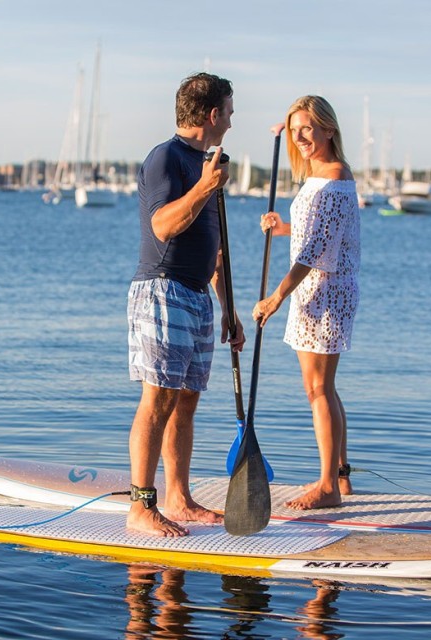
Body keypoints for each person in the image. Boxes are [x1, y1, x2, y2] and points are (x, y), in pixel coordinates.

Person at [127, 72, 245, 537]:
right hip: (162, 288)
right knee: (157, 398)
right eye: (230, 113)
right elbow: (162, 225)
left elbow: (213, 252)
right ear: (213, 114)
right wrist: (204, 187)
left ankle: (178, 497)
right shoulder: (167, 158)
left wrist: (229, 308)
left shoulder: (207, 164)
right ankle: (141, 505)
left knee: (186, 402)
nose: (232, 124)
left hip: (197, 294)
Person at [251, 95, 360, 510]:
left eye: (307, 129)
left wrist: (276, 296)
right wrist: (283, 227)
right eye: (294, 131)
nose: (299, 138)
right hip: (318, 288)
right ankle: (341, 476)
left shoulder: (332, 178)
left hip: (323, 292)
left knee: (318, 389)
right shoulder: (322, 176)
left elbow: (315, 249)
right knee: (324, 388)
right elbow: (317, 233)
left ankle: (328, 487)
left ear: (329, 130)